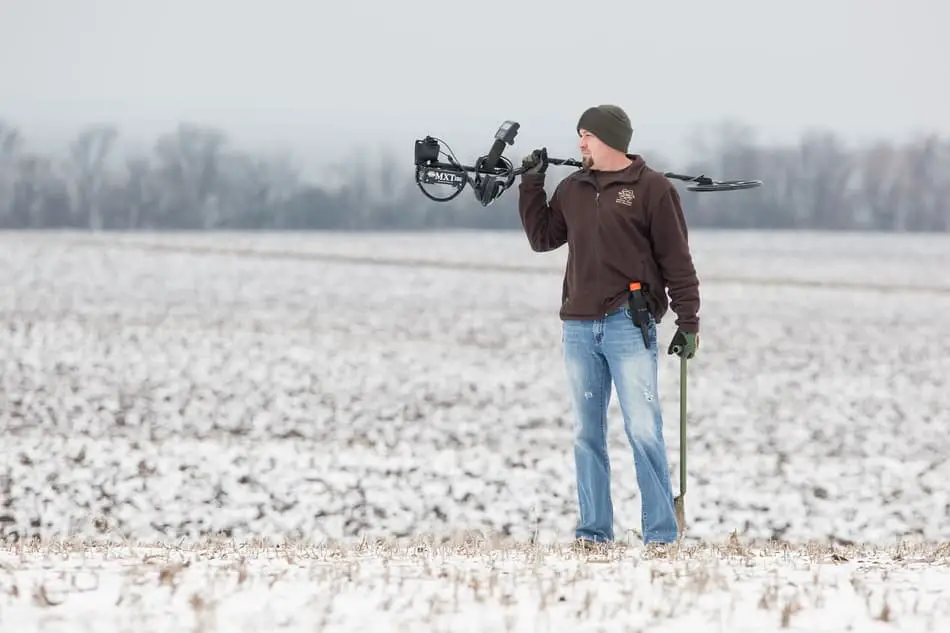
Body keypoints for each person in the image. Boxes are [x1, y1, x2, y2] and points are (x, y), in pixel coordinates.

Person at [517, 104, 700, 552]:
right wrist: (531, 183)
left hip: (627, 325)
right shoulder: (573, 188)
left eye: (587, 136)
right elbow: (543, 238)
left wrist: (688, 320)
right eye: (579, 136)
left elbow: (678, 262)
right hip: (578, 326)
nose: (580, 143)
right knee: (586, 433)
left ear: (612, 140)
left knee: (642, 429)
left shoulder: (652, 190)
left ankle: (660, 536)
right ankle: (594, 534)